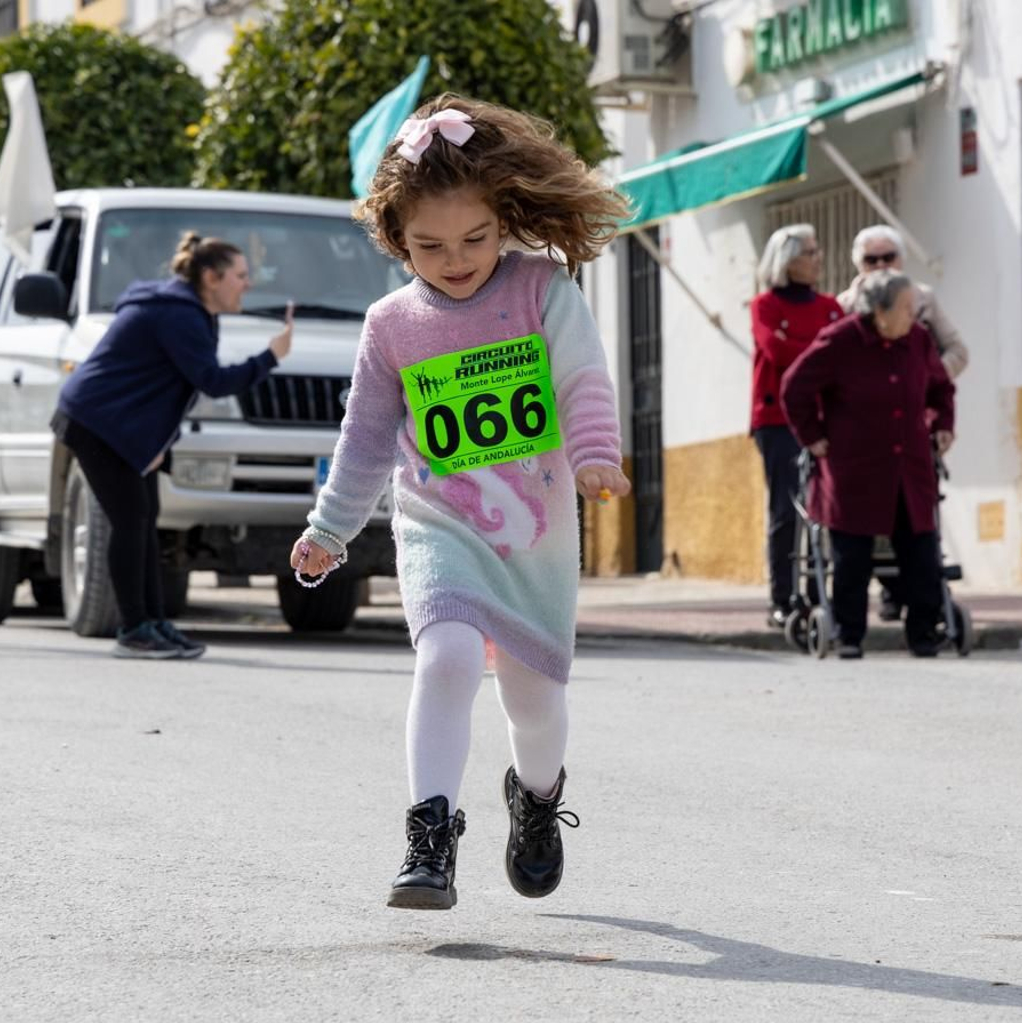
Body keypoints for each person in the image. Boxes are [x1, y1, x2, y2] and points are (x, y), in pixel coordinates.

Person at [290, 96, 630, 911]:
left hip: (535, 537)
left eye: (475, 239)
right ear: (395, 238)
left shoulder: (541, 291)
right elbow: (368, 438)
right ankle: (429, 837)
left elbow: (582, 377)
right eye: (429, 245)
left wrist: (593, 458)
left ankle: (537, 798)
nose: (456, 259)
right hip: (439, 524)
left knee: (533, 702)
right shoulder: (392, 324)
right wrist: (330, 528)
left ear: (503, 218)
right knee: (443, 658)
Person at [52, 233, 294, 659]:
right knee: (130, 521)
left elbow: (168, 385)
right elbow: (211, 381)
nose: (248, 284)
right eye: (240, 275)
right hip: (96, 423)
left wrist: (160, 441)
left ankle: (153, 622)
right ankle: (134, 629)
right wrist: (271, 356)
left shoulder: (193, 311)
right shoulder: (179, 314)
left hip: (123, 427)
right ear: (211, 277)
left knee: (145, 519)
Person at [779, 270, 955, 659]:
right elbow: (794, 387)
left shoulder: (918, 340)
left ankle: (925, 633)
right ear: (880, 311)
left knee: (922, 553)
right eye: (908, 307)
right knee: (851, 558)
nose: (915, 313)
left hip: (909, 467)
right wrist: (812, 435)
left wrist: (943, 424)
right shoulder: (841, 341)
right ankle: (850, 635)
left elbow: (941, 387)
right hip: (853, 469)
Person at [837, 223, 970, 623]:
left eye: (887, 257)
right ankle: (885, 593)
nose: (880, 265)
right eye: (870, 259)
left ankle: (922, 602)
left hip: (913, 425)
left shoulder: (923, 300)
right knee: (867, 518)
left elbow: (958, 351)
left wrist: (922, 380)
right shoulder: (845, 305)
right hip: (865, 432)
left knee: (915, 514)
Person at [750, 224, 843, 627]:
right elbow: (775, 349)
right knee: (787, 509)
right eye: (811, 251)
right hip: (776, 418)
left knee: (826, 508)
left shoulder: (830, 306)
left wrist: (810, 352)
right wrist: (821, 353)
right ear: (788, 260)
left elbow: (839, 352)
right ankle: (783, 597)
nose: (818, 257)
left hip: (825, 418)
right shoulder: (764, 305)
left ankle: (820, 591)